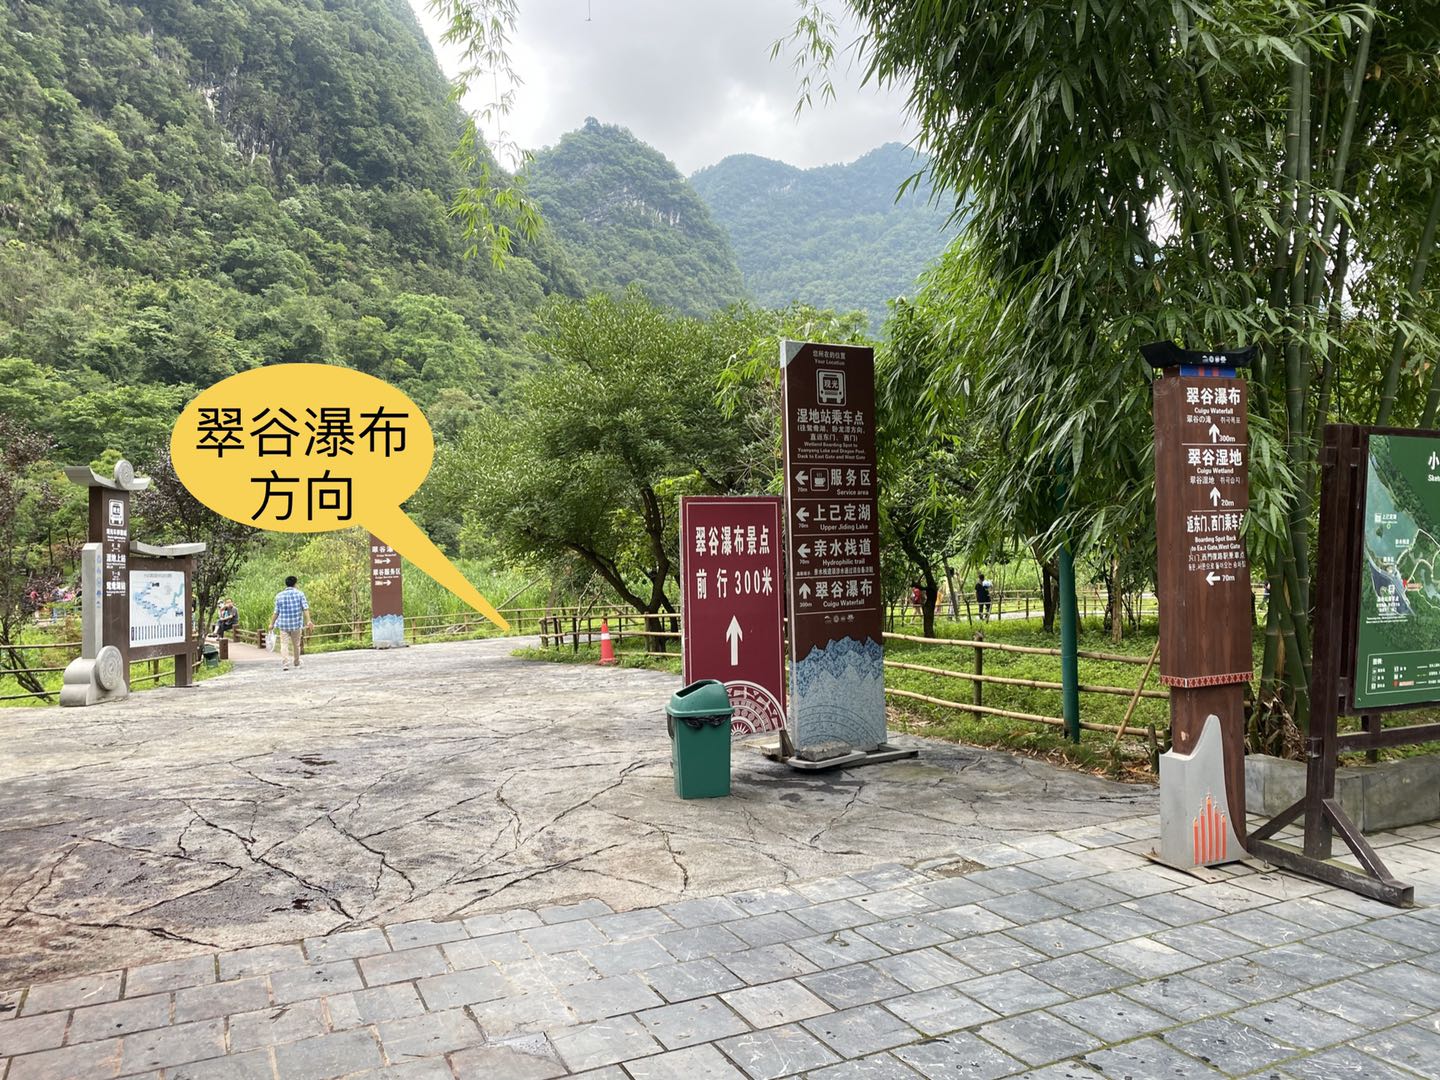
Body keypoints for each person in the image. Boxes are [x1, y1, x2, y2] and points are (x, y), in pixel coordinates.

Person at [269, 576, 314, 670]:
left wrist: (271, 624)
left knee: (284, 644)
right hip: (296, 624)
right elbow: (305, 608)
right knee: (296, 644)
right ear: (295, 584)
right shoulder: (300, 594)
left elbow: (276, 612)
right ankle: (296, 662)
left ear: (286, 584)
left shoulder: (279, 596)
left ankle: (285, 664)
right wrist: (308, 620)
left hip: (283, 625)